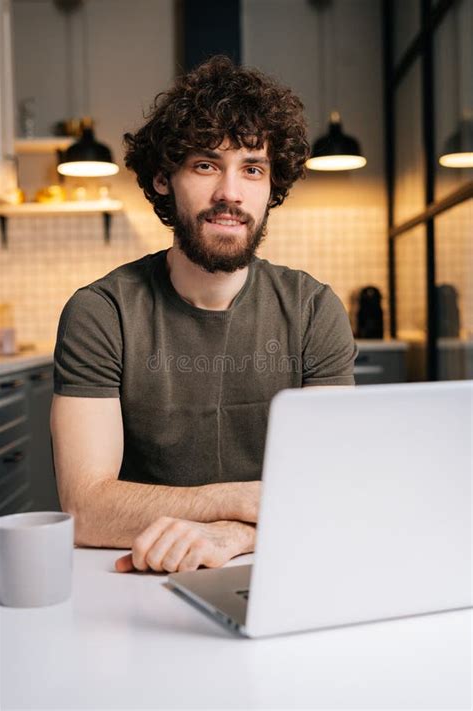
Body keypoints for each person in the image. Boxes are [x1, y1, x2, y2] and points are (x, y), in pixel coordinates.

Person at [50, 55, 357, 576]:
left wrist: (231, 536)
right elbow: (84, 509)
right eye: (206, 165)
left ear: (271, 187)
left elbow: (330, 491)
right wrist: (246, 500)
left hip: (282, 569)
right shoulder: (100, 314)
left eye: (252, 169)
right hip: (138, 577)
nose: (230, 194)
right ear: (165, 179)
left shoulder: (313, 310)